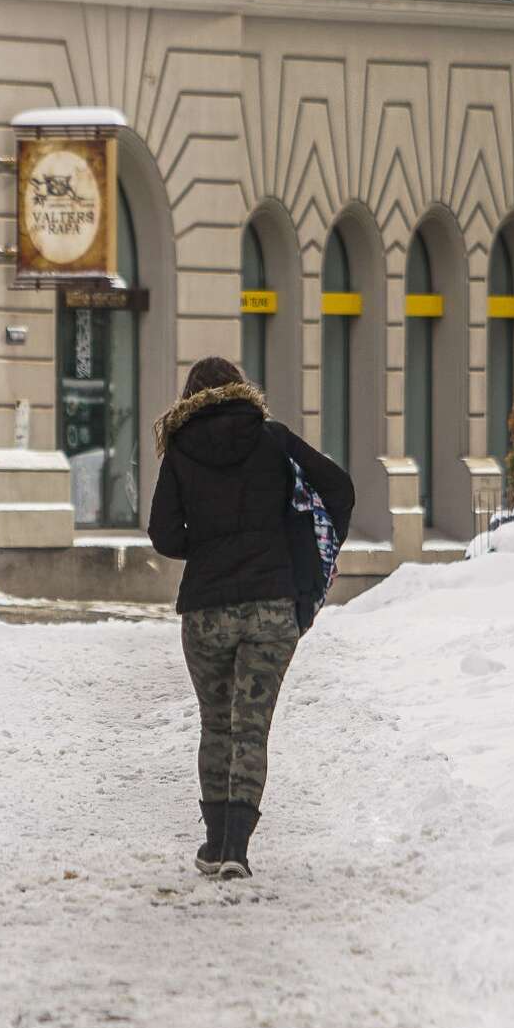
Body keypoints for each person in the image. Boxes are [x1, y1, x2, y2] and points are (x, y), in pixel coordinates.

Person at [146, 357, 353, 879]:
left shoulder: (180, 450)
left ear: (189, 396)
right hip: (272, 604)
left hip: (206, 609)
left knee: (216, 722)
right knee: (251, 727)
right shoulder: (274, 440)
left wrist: (210, 544)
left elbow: (164, 535)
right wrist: (303, 546)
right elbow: (340, 489)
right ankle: (236, 848)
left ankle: (214, 842)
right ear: (243, 390)